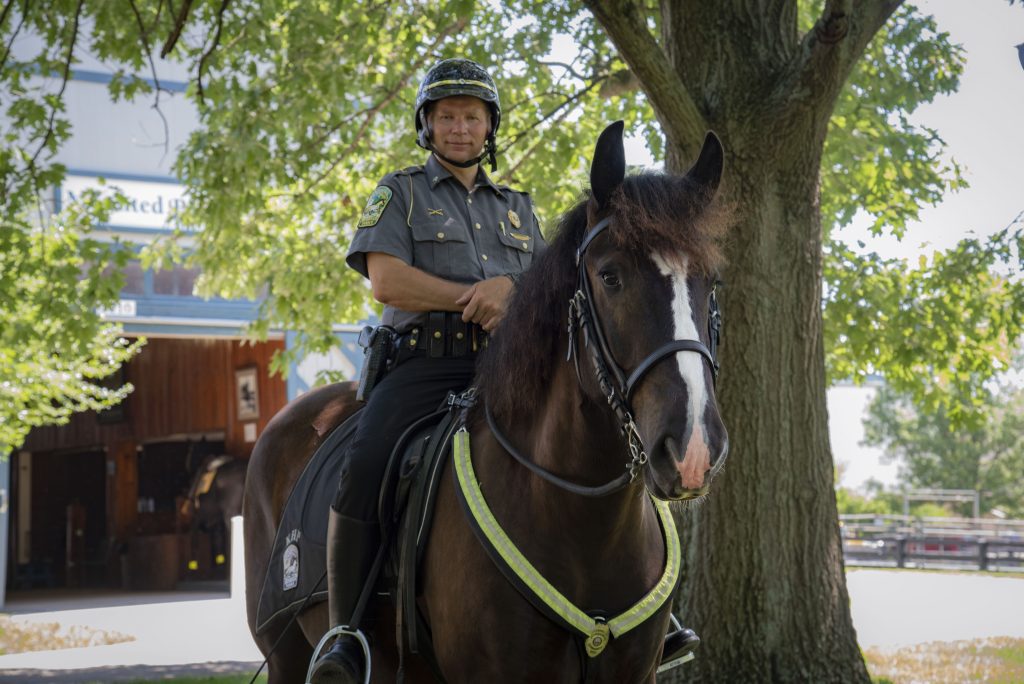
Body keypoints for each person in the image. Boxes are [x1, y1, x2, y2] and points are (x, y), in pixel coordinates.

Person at [309, 57, 546, 684]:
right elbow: (386, 280)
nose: (460, 128)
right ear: (427, 125)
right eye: (447, 116)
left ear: (490, 127)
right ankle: (345, 636)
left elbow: (551, 290)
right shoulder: (401, 190)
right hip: (423, 367)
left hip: (508, 367)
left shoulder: (521, 208)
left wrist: (514, 294)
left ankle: (638, 613)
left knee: (600, 432)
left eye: (472, 116)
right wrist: (479, 294)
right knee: (365, 466)